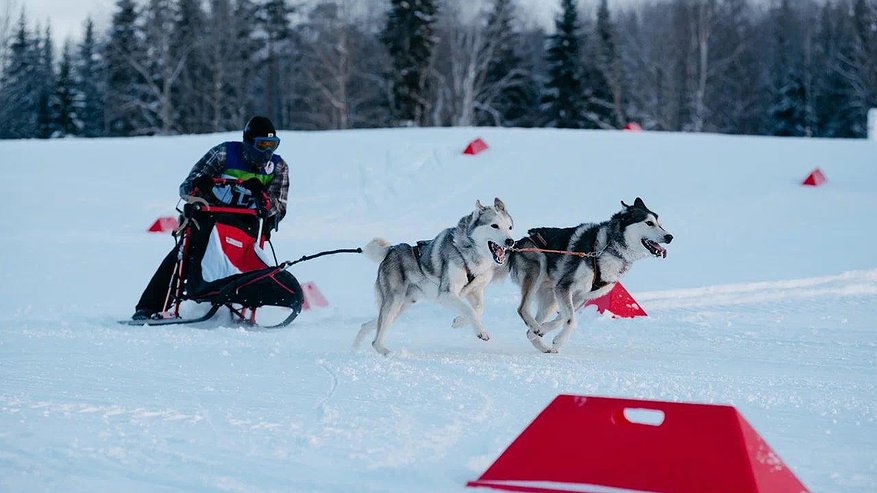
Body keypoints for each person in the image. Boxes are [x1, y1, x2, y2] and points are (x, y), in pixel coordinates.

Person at [131, 116, 290, 320]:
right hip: (209, 218)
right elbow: (186, 188)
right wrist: (202, 185)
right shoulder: (223, 154)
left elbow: (279, 209)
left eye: (272, 145)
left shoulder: (278, 167)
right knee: (183, 252)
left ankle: (242, 295)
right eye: (262, 145)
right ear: (248, 141)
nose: (267, 152)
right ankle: (149, 306)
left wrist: (262, 196)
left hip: (245, 224)